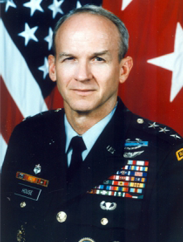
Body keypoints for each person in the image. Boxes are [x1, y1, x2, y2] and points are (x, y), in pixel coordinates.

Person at [1, 5, 183, 242]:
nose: (83, 75)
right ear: (53, 68)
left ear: (123, 69)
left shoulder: (164, 153)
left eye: (98, 59)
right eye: (70, 58)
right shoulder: (27, 135)